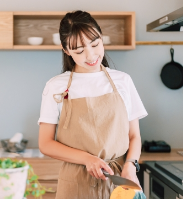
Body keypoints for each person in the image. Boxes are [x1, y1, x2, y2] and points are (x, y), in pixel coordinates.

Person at [38, 10, 148, 198]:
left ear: (101, 38)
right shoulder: (56, 86)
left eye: (95, 44)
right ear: (66, 51)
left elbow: (134, 136)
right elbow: (45, 143)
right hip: (75, 184)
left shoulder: (123, 81)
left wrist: (131, 165)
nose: (90, 55)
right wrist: (87, 159)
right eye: (79, 51)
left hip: (118, 181)